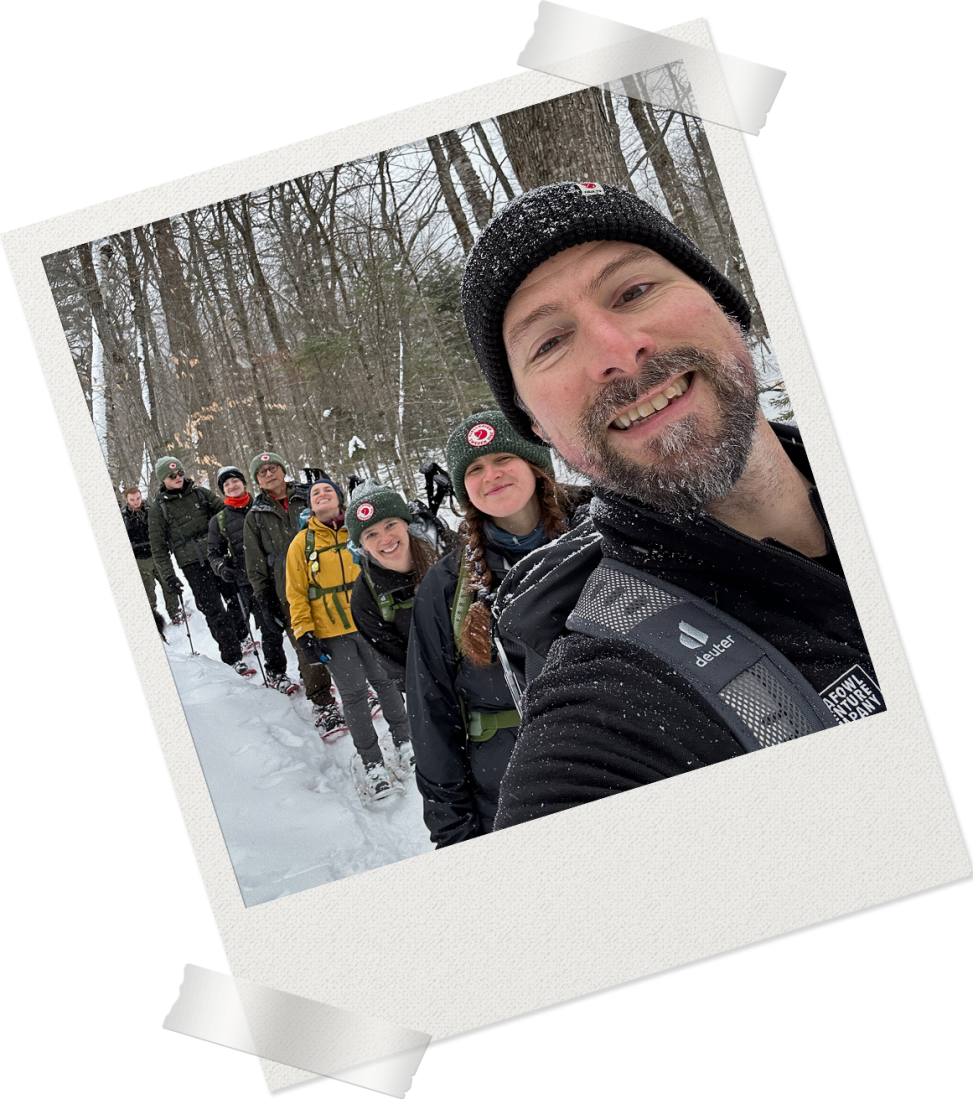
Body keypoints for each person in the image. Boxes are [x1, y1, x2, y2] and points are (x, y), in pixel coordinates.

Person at [458, 180, 886, 830]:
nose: (614, 349)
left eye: (633, 291)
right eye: (548, 342)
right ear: (537, 427)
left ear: (724, 302)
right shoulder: (598, 732)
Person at [405, 409, 588, 847]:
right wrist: (454, 834)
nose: (491, 475)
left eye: (503, 458)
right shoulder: (447, 586)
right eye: (474, 468)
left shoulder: (600, 531)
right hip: (511, 793)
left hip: (629, 760)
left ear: (533, 463)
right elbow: (431, 715)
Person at [284, 476, 413, 804]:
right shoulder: (302, 543)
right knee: (354, 696)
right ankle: (372, 765)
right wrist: (304, 633)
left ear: (341, 499)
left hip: (369, 624)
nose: (322, 494)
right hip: (332, 633)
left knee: (386, 684)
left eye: (328, 489)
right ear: (310, 505)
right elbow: (296, 593)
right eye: (315, 493)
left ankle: (406, 742)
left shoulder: (358, 533)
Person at [241, 452, 341, 726]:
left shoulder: (308, 495)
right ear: (257, 482)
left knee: (341, 634)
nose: (269, 474)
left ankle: (354, 686)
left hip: (326, 578)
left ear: (283, 470)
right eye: (262, 473)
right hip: (286, 589)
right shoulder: (255, 516)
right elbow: (255, 562)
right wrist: (263, 597)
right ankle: (323, 703)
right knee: (305, 645)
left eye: (273, 468)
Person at [147, 457, 244, 668]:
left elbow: (224, 511)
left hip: (216, 553)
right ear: (163, 479)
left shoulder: (200, 493)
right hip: (192, 563)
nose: (178, 478)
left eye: (180, 473)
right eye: (172, 476)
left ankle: (240, 635)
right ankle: (232, 656)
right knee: (213, 609)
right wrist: (169, 576)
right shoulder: (158, 509)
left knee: (237, 598)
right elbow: (158, 547)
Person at [347, 479, 443, 690]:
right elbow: (402, 671)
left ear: (406, 524)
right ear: (362, 547)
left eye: (390, 525)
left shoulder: (449, 553)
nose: (386, 539)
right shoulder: (365, 599)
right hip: (435, 692)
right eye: (371, 534)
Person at [206, 465, 280, 678]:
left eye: (235, 481)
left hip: (280, 575)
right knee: (269, 628)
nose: (232, 486)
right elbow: (213, 552)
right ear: (223, 491)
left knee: (296, 626)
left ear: (244, 483)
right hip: (250, 582)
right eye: (226, 484)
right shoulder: (219, 520)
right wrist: (221, 568)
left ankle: (310, 673)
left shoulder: (263, 506)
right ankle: (276, 672)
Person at [120, 485, 179, 634]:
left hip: (157, 554)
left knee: (167, 583)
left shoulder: (151, 511)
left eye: (138, 498)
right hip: (140, 559)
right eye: (132, 500)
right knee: (148, 589)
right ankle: (152, 615)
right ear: (127, 500)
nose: (135, 502)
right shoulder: (123, 517)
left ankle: (175, 612)